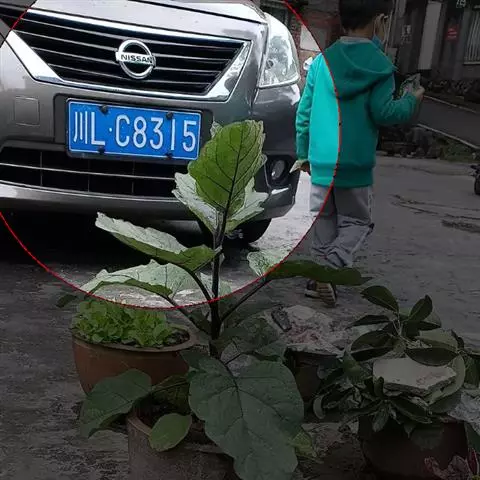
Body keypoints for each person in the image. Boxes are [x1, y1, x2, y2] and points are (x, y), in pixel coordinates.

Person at [296, 0, 425, 307]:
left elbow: (304, 113)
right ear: (380, 21)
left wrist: (303, 154)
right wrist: (411, 100)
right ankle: (332, 268)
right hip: (354, 165)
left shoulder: (321, 62)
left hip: (321, 162)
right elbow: (384, 113)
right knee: (357, 223)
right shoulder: (380, 67)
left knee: (324, 221)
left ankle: (316, 278)